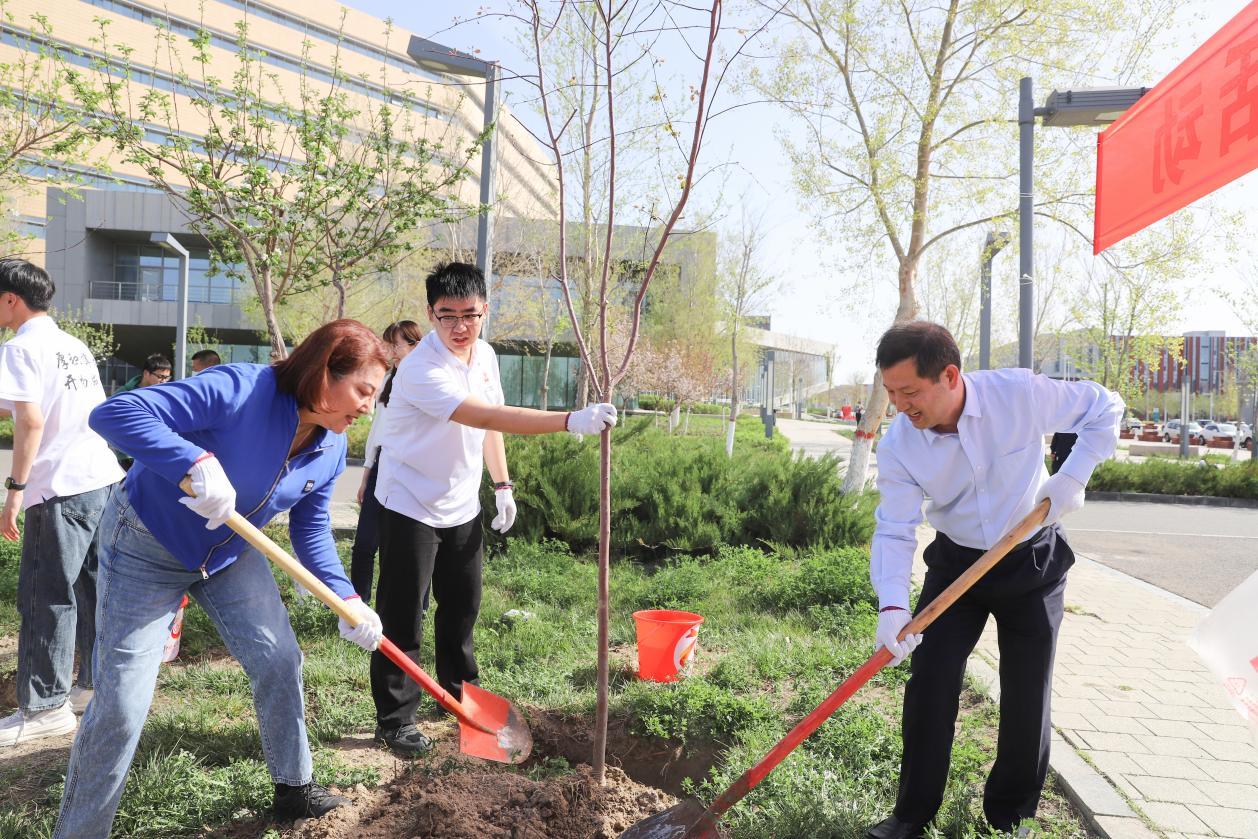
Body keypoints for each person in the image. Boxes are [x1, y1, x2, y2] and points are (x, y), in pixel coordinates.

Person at [54, 319, 390, 837]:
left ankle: (294, 788)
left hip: (229, 554)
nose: (368, 406)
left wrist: (347, 598)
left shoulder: (330, 448)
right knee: (121, 704)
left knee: (280, 658)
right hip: (147, 544)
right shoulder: (240, 389)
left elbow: (311, 529)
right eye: (364, 391)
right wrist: (193, 460)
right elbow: (114, 413)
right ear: (325, 373)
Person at [864, 321, 1122, 839]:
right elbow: (894, 528)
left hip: (1031, 561)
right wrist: (892, 605)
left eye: (910, 392)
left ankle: (1010, 819)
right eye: (891, 392)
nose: (899, 406)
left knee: (1027, 692)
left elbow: (1105, 406)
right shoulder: (899, 446)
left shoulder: (1017, 395)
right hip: (956, 568)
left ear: (949, 376)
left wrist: (1072, 476)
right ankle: (911, 814)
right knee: (930, 683)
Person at [370, 262, 617, 755]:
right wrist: (569, 420)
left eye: (470, 315)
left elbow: (489, 428)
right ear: (431, 314)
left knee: (463, 606)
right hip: (410, 501)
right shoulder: (421, 369)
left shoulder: (484, 355)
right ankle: (395, 719)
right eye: (448, 316)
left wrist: (502, 484)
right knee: (403, 613)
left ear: (485, 310)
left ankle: (460, 694)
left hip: (462, 502)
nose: (460, 326)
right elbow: (484, 413)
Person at [0, 259, 124, 747]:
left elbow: (30, 421)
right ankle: (90, 686)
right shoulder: (73, 346)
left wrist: (14, 490)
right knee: (92, 590)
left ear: (11, 299)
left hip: (58, 486)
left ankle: (44, 707)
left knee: (45, 593)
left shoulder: (19, 347)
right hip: (100, 479)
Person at [350, 320, 422, 603]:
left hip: (410, 466)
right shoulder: (388, 379)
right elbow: (377, 430)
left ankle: (414, 609)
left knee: (408, 546)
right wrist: (367, 473)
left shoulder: (425, 379)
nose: (390, 351)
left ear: (415, 345)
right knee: (364, 543)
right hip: (382, 462)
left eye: (396, 345)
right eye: (387, 344)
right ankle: (358, 606)